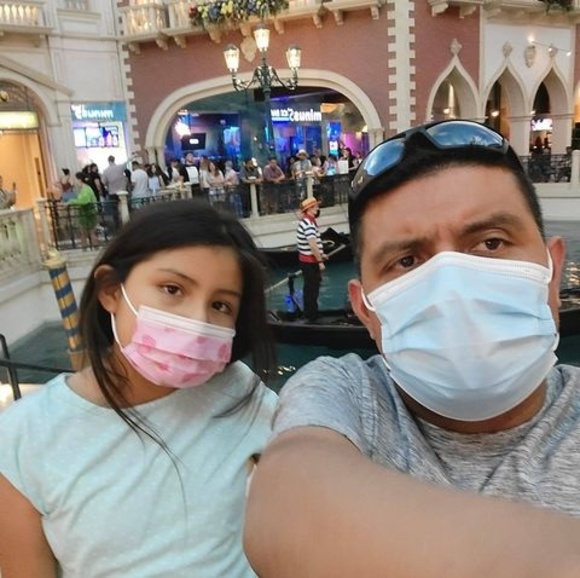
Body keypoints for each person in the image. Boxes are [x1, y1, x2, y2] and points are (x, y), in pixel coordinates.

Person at [244, 119, 580, 577]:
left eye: (490, 242)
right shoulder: (346, 393)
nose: (452, 285)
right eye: (406, 261)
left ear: (552, 270)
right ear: (365, 311)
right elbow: (286, 508)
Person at [0, 199, 278, 577]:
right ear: (111, 291)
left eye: (220, 305)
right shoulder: (23, 438)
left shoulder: (240, 392)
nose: (197, 321)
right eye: (172, 289)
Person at [296, 196, 327, 322]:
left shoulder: (307, 221)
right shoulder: (308, 224)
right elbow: (312, 245)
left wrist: (322, 254)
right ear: (310, 209)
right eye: (316, 206)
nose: (318, 209)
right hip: (310, 263)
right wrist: (320, 262)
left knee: (311, 288)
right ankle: (310, 316)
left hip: (308, 261)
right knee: (311, 289)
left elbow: (314, 245)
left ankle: (312, 313)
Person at [67, 171, 99, 250]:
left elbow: (84, 201)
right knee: (86, 232)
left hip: (88, 213)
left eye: (75, 179)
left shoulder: (86, 189)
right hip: (86, 213)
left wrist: (71, 202)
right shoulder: (84, 189)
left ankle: (90, 248)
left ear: (79, 180)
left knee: (88, 232)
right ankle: (90, 248)